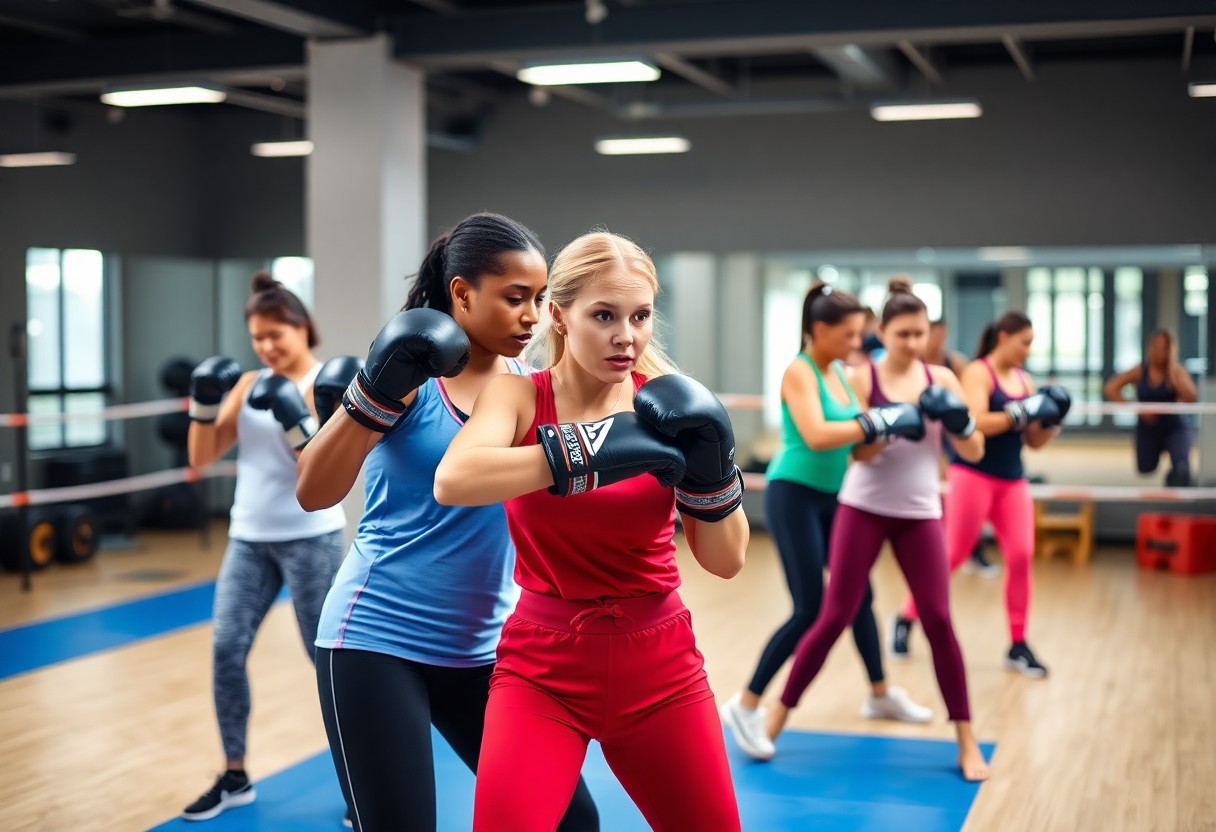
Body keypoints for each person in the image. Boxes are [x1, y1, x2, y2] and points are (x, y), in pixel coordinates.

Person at [434, 230, 749, 832]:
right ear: (558, 315)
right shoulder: (518, 395)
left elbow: (727, 560)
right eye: (603, 315)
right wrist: (589, 450)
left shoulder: (667, 411)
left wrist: (714, 475)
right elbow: (454, 479)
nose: (625, 336)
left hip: (661, 664)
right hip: (542, 669)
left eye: (640, 316)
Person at [296, 214, 599, 832]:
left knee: (571, 822)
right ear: (462, 294)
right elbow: (314, 490)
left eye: (540, 300)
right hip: (377, 640)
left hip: (484, 650)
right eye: (515, 298)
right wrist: (371, 394)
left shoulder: (528, 389)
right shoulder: (413, 379)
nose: (531, 317)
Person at [756, 278, 990, 780]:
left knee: (939, 620)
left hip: (920, 512)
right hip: (863, 507)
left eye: (919, 333)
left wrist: (960, 424)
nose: (911, 343)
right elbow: (856, 451)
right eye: (902, 333)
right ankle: (775, 718)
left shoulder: (943, 380)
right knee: (834, 613)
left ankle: (966, 740)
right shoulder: (860, 378)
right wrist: (888, 425)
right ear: (883, 331)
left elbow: (974, 454)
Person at [719, 282, 931, 763]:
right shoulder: (799, 371)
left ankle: (879, 693)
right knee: (810, 607)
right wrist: (878, 421)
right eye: (849, 333)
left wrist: (898, 427)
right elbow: (817, 435)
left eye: (860, 333)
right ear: (820, 330)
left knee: (861, 598)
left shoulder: (840, 373)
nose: (857, 342)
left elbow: (859, 448)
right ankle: (746, 703)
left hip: (838, 496)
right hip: (794, 496)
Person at [182, 272, 347, 822]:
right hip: (249, 538)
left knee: (326, 664)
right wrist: (204, 404)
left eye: (276, 334)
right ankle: (234, 774)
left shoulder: (330, 381)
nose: (267, 347)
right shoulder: (248, 381)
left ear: (303, 327)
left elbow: (323, 470)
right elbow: (202, 457)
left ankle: (361, 784)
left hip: (311, 537)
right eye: (257, 337)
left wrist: (293, 419)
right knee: (226, 648)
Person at [890, 311, 1070, 678]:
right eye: (1025, 342)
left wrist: (1051, 421)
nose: (1028, 351)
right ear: (1004, 337)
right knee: (953, 555)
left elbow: (1033, 441)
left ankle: (1018, 644)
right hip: (973, 475)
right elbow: (975, 423)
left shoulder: (1024, 379)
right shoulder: (977, 372)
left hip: (1013, 480)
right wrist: (1020, 411)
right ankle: (906, 616)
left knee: (1020, 556)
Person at [926, 318, 998, 578]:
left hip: (950, 435)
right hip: (922, 439)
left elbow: (967, 404)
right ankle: (940, 551)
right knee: (940, 501)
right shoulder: (916, 366)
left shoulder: (953, 363)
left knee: (960, 502)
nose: (939, 339)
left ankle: (973, 552)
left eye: (943, 334)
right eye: (935, 333)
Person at [1103, 328, 1198, 486]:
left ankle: (1178, 479)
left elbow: (1192, 398)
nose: (1159, 352)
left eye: (1164, 348)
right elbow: (1110, 388)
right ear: (1149, 348)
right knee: (1145, 468)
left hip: (1174, 426)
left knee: (1181, 469)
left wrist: (1174, 380)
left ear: (1170, 349)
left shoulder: (1176, 371)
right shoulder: (1140, 370)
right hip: (1149, 427)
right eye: (1156, 347)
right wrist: (1136, 408)